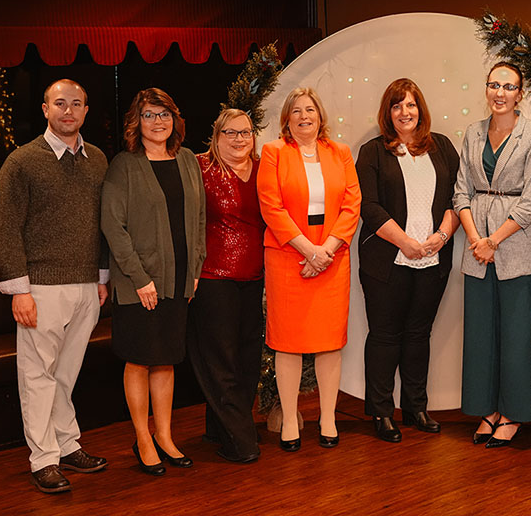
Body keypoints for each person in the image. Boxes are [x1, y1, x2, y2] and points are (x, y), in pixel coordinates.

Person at [0, 79, 109, 493]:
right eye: (60, 103)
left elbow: (102, 224)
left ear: (85, 110)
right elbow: (6, 229)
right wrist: (19, 290)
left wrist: (101, 276)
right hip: (39, 288)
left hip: (85, 286)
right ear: (45, 109)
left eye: (76, 104)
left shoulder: (97, 159)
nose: (68, 111)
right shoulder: (22, 162)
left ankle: (67, 443)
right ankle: (43, 459)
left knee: (65, 375)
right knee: (37, 376)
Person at [101, 88, 206, 476]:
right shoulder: (124, 165)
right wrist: (140, 277)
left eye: (164, 114)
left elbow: (198, 220)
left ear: (175, 119)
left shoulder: (188, 160)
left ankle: (164, 436)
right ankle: (142, 438)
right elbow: (113, 226)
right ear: (136, 121)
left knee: (166, 359)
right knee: (140, 358)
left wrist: (195, 267)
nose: (158, 122)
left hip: (179, 281)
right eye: (149, 115)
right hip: (138, 285)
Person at [355, 78, 460, 443]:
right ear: (388, 113)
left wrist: (440, 237)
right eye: (397, 105)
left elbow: (457, 199)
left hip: (433, 259)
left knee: (418, 335)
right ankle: (382, 412)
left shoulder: (442, 147)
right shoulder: (373, 152)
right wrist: (405, 243)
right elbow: (368, 206)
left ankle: (416, 406)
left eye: (411, 105)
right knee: (385, 337)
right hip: (387, 260)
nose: (405, 112)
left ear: (421, 109)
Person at [257, 87, 361, 451]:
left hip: (331, 260)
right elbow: (271, 207)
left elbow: (352, 205)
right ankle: (289, 418)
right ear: (287, 119)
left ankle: (328, 417)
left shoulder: (341, 152)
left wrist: (326, 251)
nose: (304, 116)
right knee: (288, 343)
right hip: (289, 259)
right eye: (296, 111)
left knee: (329, 343)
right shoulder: (273, 153)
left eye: (310, 110)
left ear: (320, 116)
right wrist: (307, 250)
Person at [453, 61, 531, 448]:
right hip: (476, 249)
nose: (500, 93)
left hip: (518, 248)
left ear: (520, 94)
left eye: (508, 87)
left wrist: (495, 240)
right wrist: (477, 239)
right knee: (479, 335)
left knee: (515, 336)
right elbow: (461, 191)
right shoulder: (473, 133)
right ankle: (486, 410)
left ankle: (512, 414)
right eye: (494, 85)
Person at [188, 108, 265, 463]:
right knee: (220, 361)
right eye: (230, 133)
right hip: (212, 277)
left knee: (248, 359)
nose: (238, 139)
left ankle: (220, 427)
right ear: (216, 137)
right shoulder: (200, 169)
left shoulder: (265, 169)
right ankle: (241, 440)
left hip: (255, 277)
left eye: (245, 132)